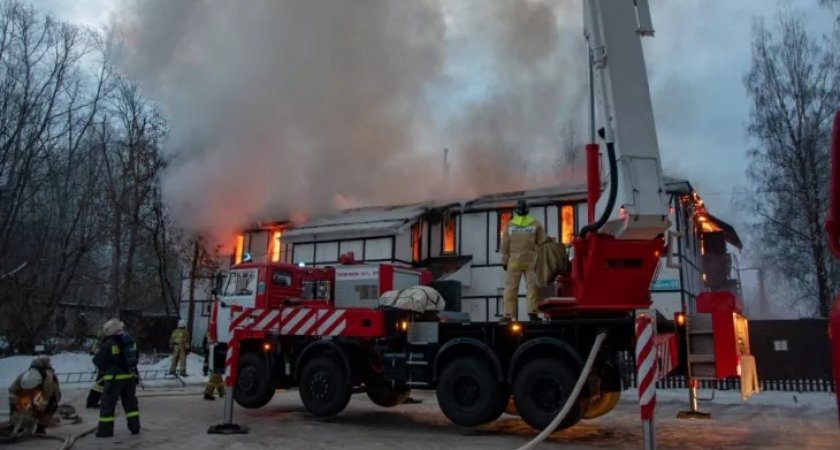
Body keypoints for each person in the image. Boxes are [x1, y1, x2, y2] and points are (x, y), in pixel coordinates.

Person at [93, 318, 140, 438]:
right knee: (131, 404)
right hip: (130, 377)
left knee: (107, 405)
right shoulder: (130, 341)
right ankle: (135, 427)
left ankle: (105, 432)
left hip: (114, 379)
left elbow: (98, 360)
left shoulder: (110, 343)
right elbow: (136, 357)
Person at [500, 199, 545, 323]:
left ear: (516, 211)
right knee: (532, 288)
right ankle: (533, 313)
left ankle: (508, 314)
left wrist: (504, 261)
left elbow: (504, 246)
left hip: (514, 262)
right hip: (531, 262)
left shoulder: (509, 226)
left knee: (510, 288)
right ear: (527, 209)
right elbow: (542, 243)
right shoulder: (536, 224)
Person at [7, 356, 61, 435]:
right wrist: (14, 403)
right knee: (23, 407)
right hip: (30, 396)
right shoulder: (23, 377)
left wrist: (41, 407)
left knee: (49, 407)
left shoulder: (48, 379)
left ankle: (40, 427)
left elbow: (49, 395)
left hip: (44, 396)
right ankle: (18, 424)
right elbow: (12, 391)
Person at [202, 331, 225, 400]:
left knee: (218, 373)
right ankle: (208, 393)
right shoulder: (218, 332)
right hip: (216, 354)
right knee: (215, 374)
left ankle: (222, 392)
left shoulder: (208, 332)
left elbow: (205, 344)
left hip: (212, 353)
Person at [86, 330, 105, 409]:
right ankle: (92, 402)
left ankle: (92, 401)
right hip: (104, 364)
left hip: (103, 363)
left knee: (101, 383)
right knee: (100, 384)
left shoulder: (103, 338)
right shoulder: (106, 341)